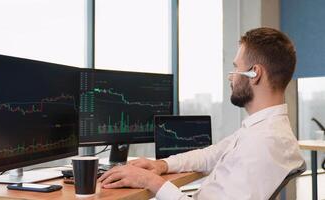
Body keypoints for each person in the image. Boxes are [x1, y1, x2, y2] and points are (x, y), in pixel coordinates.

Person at [98, 27, 305, 200]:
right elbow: (211, 155)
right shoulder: (260, 128)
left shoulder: (264, 142)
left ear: (255, 74)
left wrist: (148, 181)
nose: (230, 78)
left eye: (235, 68)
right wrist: (161, 165)